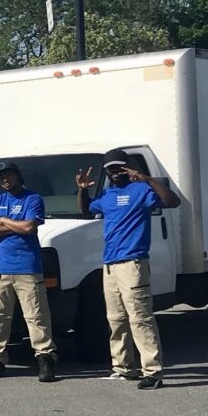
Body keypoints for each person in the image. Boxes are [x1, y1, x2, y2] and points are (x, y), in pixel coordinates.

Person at [76, 148, 182, 390]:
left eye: (119, 167)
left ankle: (153, 371)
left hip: (133, 263)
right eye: (110, 169)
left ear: (128, 167)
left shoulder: (141, 190)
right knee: (115, 318)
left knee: (140, 318)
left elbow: (171, 201)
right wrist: (83, 188)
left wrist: (148, 179)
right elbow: (86, 209)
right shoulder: (108, 194)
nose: (115, 172)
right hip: (110, 264)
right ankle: (124, 367)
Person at [0, 161, 58, 383]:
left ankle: (45, 358)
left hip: (28, 268)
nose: (5, 179)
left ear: (18, 176)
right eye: (1, 177)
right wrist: (14, 224)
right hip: (1, 268)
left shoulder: (32, 199)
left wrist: (3, 221)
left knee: (36, 316)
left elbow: (30, 227)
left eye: (8, 175)